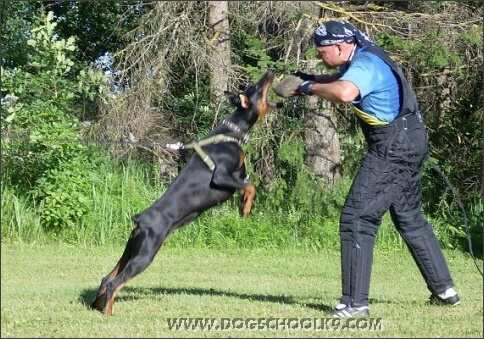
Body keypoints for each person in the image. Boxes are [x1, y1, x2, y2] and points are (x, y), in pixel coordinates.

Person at [287, 20, 460, 317]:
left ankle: (354, 304)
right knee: (409, 217)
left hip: (394, 144)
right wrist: (312, 79)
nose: (319, 57)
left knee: (357, 218)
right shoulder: (364, 53)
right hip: (410, 137)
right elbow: (341, 78)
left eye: (321, 52)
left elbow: (344, 92)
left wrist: (307, 86)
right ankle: (445, 291)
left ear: (339, 46)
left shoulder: (365, 63)